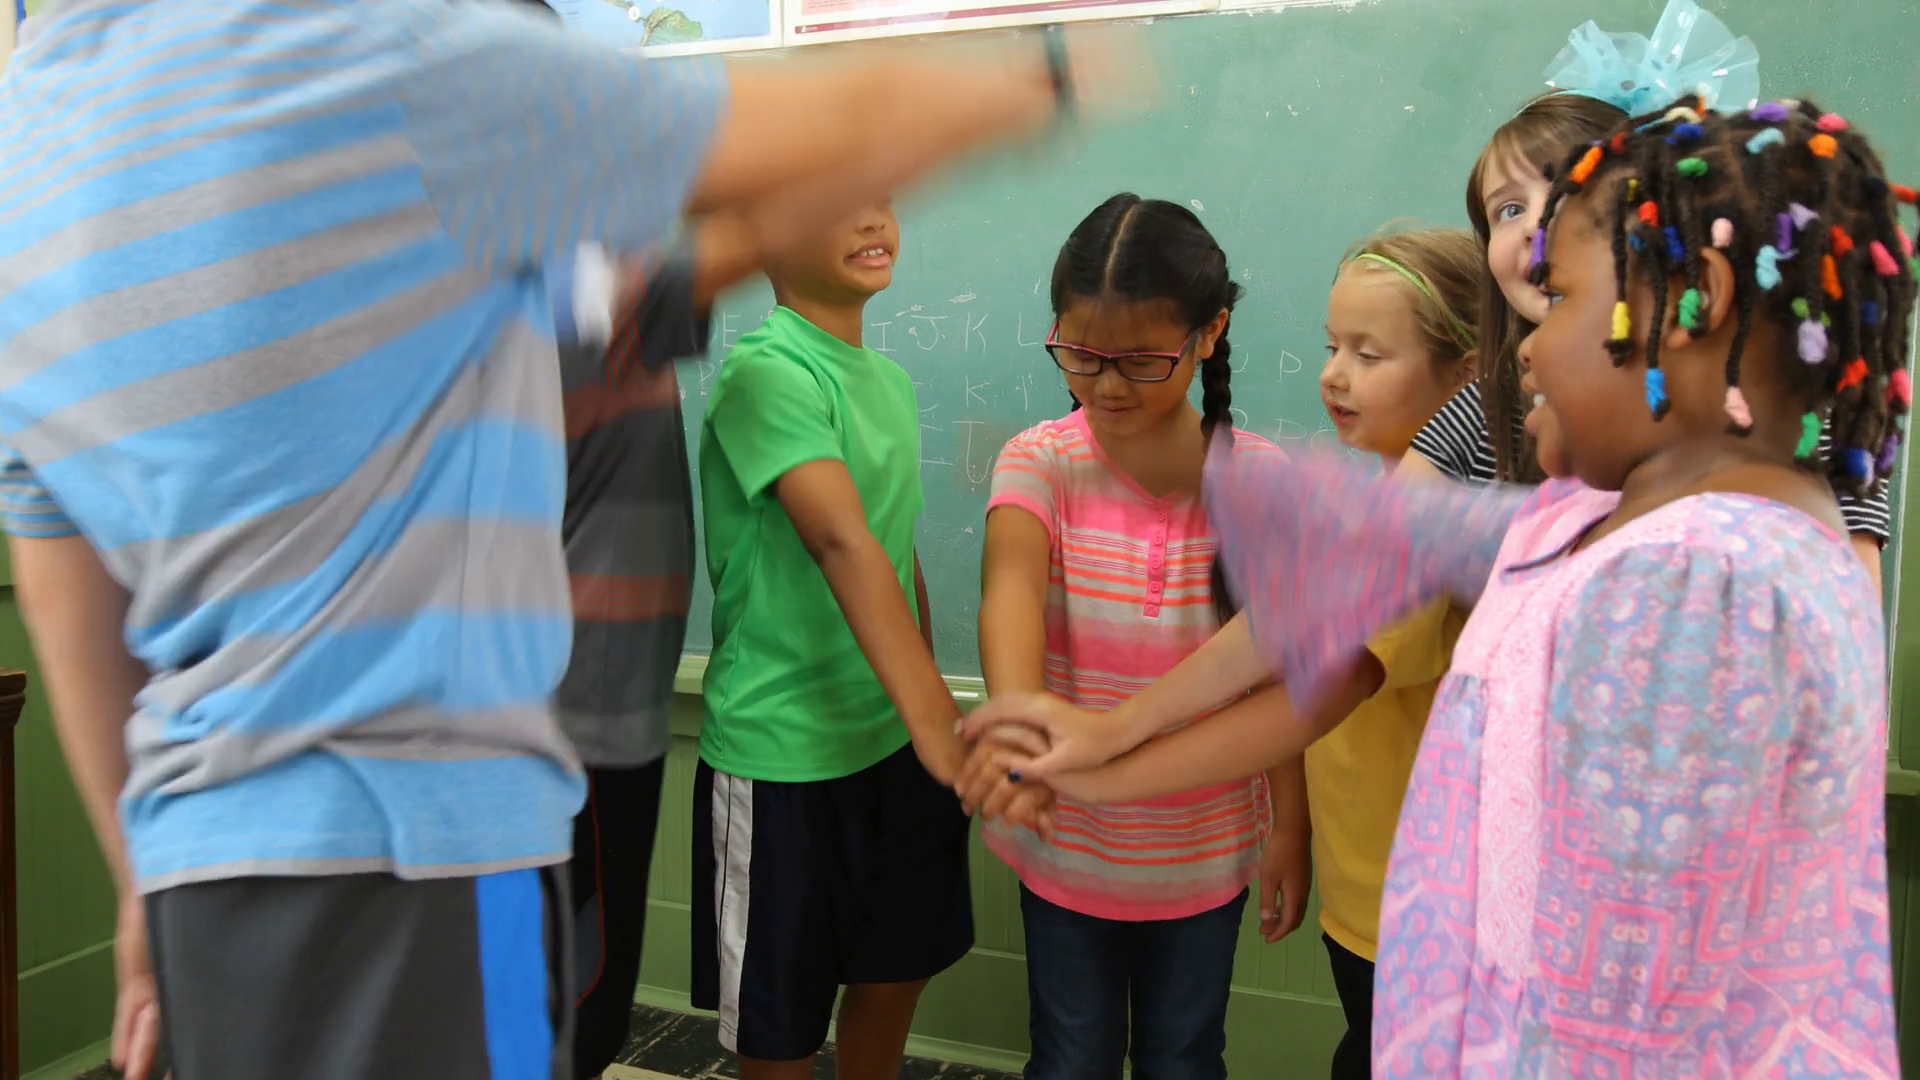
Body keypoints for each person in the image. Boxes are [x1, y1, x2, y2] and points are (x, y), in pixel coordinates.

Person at [0, 0, 1134, 1071]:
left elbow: (57, 566)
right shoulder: (390, 60)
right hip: (429, 846)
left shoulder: (34, 127)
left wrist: (140, 874)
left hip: (202, 860)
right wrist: (1038, 70)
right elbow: (818, 129)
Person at [982, 96, 1912, 1076]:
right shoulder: (1589, 523)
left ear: (1697, 303)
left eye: (1559, 300)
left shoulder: (1703, 584)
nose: (1526, 347)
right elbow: (1331, 591)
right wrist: (1110, 746)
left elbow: (1626, 985)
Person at [1400, 2, 1894, 591]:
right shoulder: (1490, 404)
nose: (1537, 225)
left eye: (1568, 191)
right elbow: (1385, 535)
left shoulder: (1789, 417)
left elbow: (1847, 599)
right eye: (1507, 209)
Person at [969, 195, 1296, 1080]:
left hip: (1205, 851)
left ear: (1209, 332)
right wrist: (1018, 724)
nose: (1107, 386)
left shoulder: (1260, 481)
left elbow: (1281, 679)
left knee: (1183, 1057)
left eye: (1142, 361)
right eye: (1081, 354)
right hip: (1068, 842)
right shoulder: (1042, 460)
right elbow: (1009, 591)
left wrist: (1291, 826)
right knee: (1070, 1057)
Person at [691, 198, 974, 1080]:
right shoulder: (766, 371)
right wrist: (939, 721)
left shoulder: (888, 382)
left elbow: (893, 549)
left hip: (891, 741)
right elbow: (841, 542)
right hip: (784, 757)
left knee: (893, 978)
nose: (873, 220)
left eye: (882, 198)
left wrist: (928, 716)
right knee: (782, 1031)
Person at [1302, 226, 1481, 1080]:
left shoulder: (1425, 536)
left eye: (1368, 355)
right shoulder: (1379, 505)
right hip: (1361, 892)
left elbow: (1319, 673)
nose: (1335, 374)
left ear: (1468, 379)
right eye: (1331, 346)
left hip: (1415, 912)